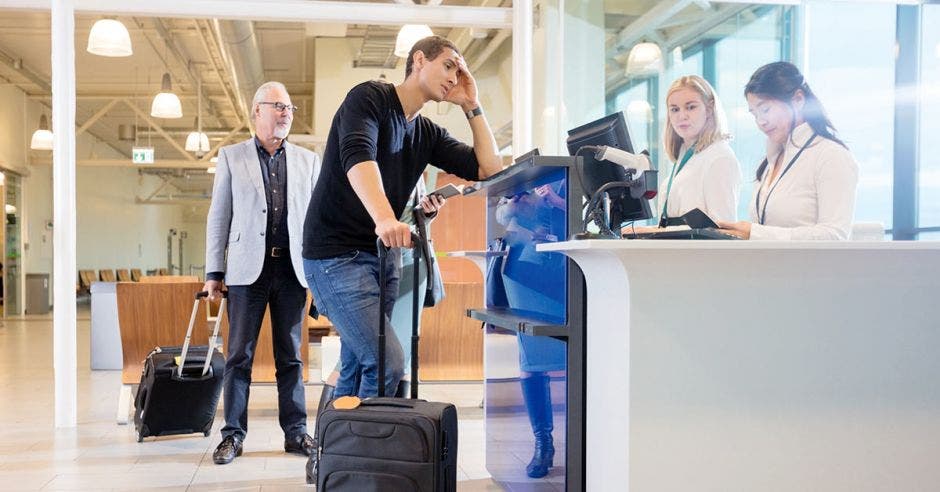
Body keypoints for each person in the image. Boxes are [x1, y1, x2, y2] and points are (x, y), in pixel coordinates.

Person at [302, 35, 502, 400]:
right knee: (386, 361)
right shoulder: (370, 98)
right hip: (335, 256)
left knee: (356, 362)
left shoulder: (426, 132)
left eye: (459, 72)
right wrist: (384, 219)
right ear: (419, 60)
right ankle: (360, 451)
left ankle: (331, 453)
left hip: (382, 256)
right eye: (448, 66)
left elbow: (487, 169)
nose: (454, 77)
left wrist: (472, 105)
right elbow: (357, 156)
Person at [204, 81, 321, 465]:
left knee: (291, 357)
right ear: (257, 111)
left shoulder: (308, 161)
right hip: (244, 273)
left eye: (289, 108)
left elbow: (317, 221)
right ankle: (233, 436)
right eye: (278, 106)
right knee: (239, 356)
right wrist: (213, 272)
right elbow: (219, 216)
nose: (286, 112)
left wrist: (320, 272)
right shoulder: (231, 157)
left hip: (291, 271)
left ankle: (297, 433)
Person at [718, 62, 858, 239]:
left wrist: (755, 233)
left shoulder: (831, 155)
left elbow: (834, 235)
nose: (760, 121)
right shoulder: (773, 159)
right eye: (754, 114)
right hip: (771, 265)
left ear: (798, 100)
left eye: (765, 109)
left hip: (806, 267)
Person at [657, 75, 741, 226]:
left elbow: (723, 227)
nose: (682, 116)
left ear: (709, 109)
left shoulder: (719, 157)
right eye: (675, 109)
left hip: (698, 249)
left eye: (691, 107)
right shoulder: (685, 156)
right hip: (677, 247)